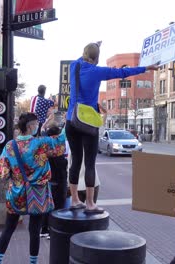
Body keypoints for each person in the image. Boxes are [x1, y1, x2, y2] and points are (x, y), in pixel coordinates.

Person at [66, 41, 159, 213]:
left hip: (71, 121)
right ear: (96, 58)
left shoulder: (74, 66)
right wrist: (146, 68)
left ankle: (74, 200)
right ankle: (90, 204)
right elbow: (122, 72)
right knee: (90, 163)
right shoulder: (97, 71)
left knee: (76, 161)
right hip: (87, 122)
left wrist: (93, 47)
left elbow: (83, 58)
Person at [0, 113, 66, 264]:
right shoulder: (41, 143)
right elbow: (61, 141)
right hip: (38, 193)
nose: (38, 127)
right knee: (35, 230)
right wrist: (67, 121)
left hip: (16, 193)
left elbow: (1, 174)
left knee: (9, 228)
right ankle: (33, 262)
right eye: (36, 124)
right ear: (30, 126)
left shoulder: (9, 146)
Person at [40, 121, 69, 239]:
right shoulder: (58, 152)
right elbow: (62, 169)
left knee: (46, 206)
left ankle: (44, 229)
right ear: (56, 136)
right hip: (58, 182)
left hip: (47, 182)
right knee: (58, 207)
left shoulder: (44, 148)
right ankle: (53, 231)